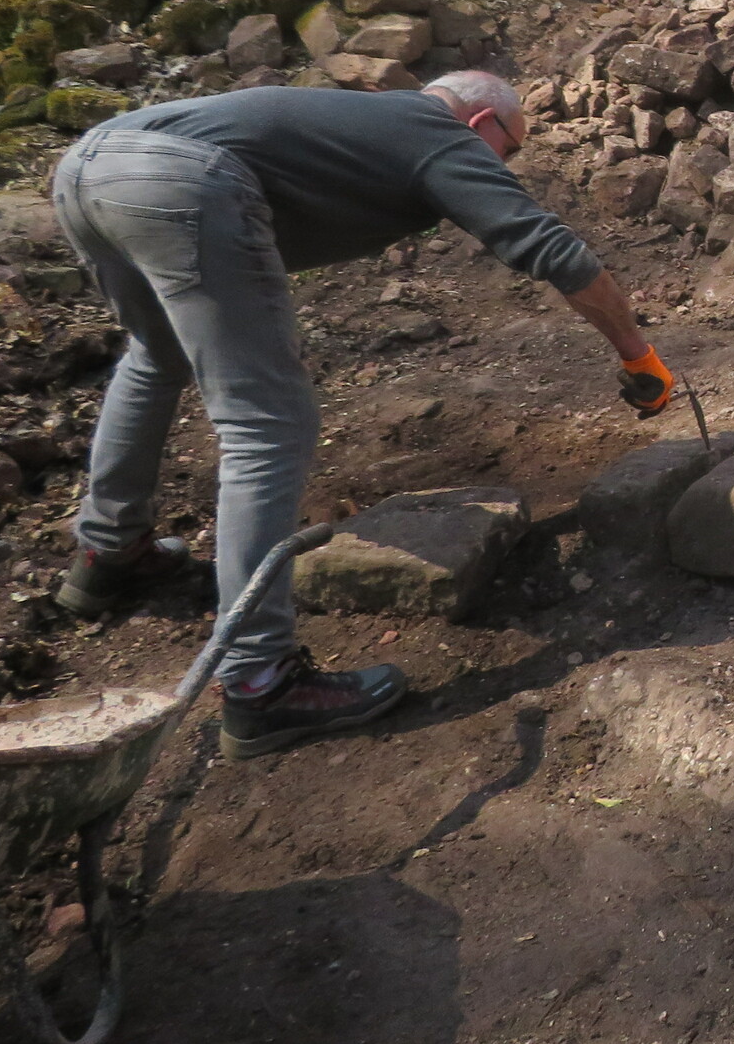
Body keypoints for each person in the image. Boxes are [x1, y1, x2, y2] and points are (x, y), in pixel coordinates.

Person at [48, 71, 677, 759]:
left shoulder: (363, 125)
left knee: (155, 355)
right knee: (266, 423)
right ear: (482, 124)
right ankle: (261, 682)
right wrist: (638, 354)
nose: (505, 165)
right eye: (511, 149)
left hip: (88, 166)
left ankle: (109, 553)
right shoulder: (438, 133)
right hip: (181, 182)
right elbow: (554, 250)